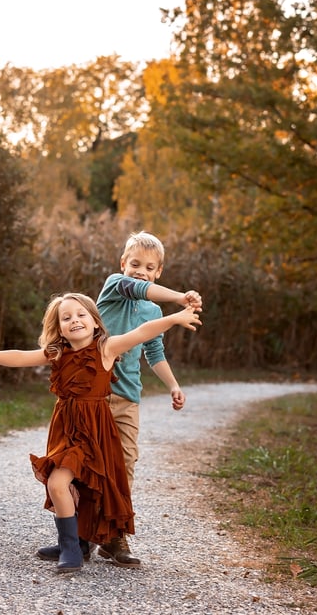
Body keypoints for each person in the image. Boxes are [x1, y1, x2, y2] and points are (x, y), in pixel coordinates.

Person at [0, 292, 201, 574]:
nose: (74, 320)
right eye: (66, 318)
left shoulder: (106, 348)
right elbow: (22, 356)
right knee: (64, 485)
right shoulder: (58, 352)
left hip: (95, 433)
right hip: (66, 430)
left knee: (67, 484)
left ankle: (73, 547)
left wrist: (174, 318)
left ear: (95, 322)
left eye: (80, 315)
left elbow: (142, 332)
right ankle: (72, 543)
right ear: (60, 327)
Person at [92, 231, 203, 568]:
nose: (140, 270)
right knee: (87, 463)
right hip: (92, 395)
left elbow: (154, 352)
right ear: (123, 264)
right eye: (135, 263)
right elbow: (135, 288)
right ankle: (79, 533)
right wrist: (181, 297)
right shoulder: (115, 287)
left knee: (124, 465)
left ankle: (114, 536)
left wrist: (172, 385)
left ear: (159, 271)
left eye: (149, 267)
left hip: (126, 399)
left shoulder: (153, 311)